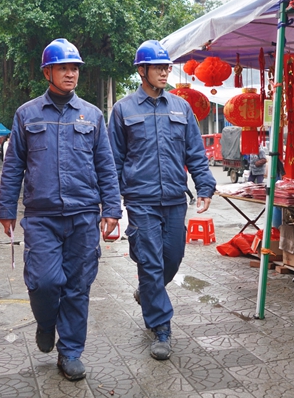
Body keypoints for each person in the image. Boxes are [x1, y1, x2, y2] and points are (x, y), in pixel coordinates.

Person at [0, 38, 121, 382]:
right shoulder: (27, 114)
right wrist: (6, 208)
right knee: (46, 282)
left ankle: (70, 352)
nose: (70, 74)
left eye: (75, 68)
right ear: (47, 72)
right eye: (64, 68)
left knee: (78, 286)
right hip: (41, 216)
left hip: (83, 215)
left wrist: (111, 208)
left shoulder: (93, 115)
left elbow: (106, 166)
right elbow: (13, 165)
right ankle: (46, 321)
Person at [108, 40, 216, 362]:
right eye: (158, 67)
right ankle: (161, 327)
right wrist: (112, 206)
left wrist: (205, 186)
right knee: (152, 262)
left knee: (172, 257)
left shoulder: (181, 108)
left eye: (167, 67)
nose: (165, 72)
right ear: (142, 71)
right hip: (140, 201)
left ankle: (148, 291)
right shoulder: (123, 110)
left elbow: (195, 152)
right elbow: (113, 160)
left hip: (173, 199)